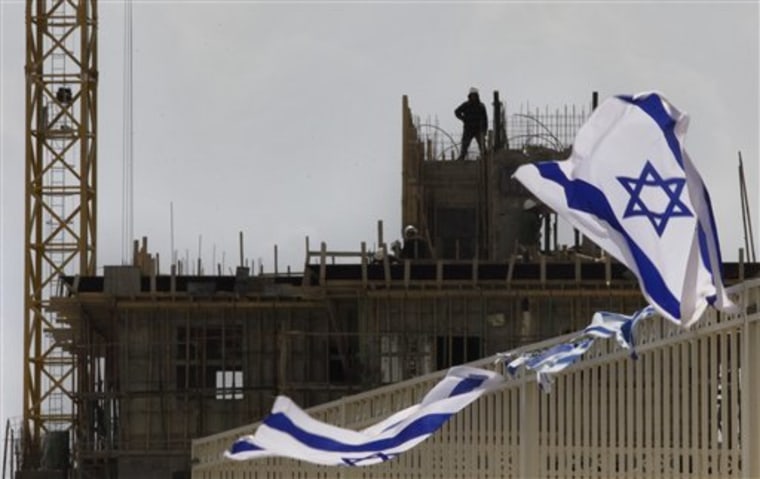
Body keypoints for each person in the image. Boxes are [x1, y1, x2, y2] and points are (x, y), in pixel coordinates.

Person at [454, 87, 488, 161]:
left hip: (478, 129)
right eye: (472, 95)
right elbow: (456, 111)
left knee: (482, 146)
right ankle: (461, 158)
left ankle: (485, 159)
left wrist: (485, 131)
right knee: (464, 145)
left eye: (474, 95)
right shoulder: (466, 105)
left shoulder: (481, 106)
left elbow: (485, 119)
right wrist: (463, 119)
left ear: (477, 96)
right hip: (468, 129)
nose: (473, 97)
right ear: (469, 96)